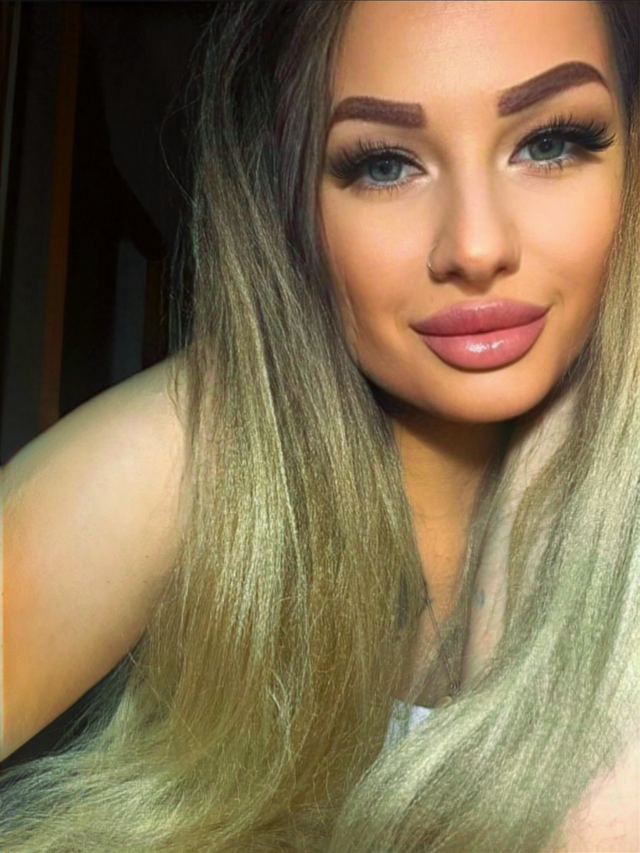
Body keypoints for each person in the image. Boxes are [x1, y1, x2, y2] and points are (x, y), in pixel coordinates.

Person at [1, 1, 638, 850]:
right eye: (384, 163)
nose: (477, 246)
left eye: (551, 142)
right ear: (289, 196)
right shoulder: (182, 454)